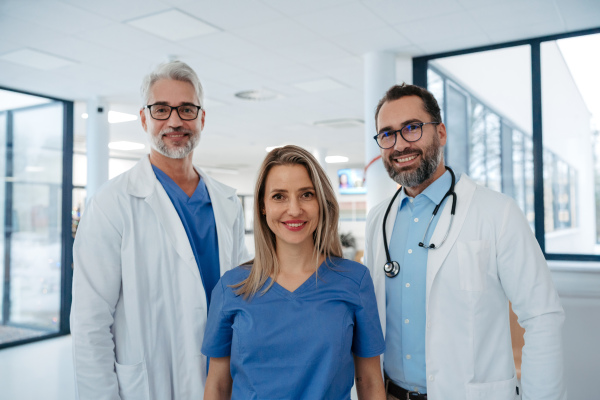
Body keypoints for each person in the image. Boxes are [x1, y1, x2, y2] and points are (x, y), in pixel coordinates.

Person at [364, 84, 566, 400]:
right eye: (387, 134)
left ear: (441, 133)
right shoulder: (378, 219)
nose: (400, 144)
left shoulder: (498, 212)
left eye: (412, 128)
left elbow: (542, 318)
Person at [71, 60, 249, 400]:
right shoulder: (112, 204)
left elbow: (237, 297)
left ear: (202, 118)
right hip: (149, 384)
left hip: (224, 379)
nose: (175, 121)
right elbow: (89, 325)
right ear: (144, 119)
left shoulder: (227, 203)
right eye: (161, 110)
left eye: (186, 109)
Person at [202, 145, 386, 400]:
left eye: (306, 194)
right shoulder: (232, 287)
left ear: (321, 202)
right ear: (263, 206)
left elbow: (370, 381)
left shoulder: (354, 281)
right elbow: (218, 386)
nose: (294, 209)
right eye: (279, 196)